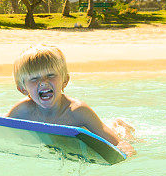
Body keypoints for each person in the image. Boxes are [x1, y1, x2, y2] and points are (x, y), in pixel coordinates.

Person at [7, 45, 135, 156]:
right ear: (23, 90)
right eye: (34, 79)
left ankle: (119, 125)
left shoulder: (77, 111)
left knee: (121, 134)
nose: (43, 83)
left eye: (51, 75)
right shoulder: (21, 111)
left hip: (88, 133)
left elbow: (113, 140)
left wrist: (124, 147)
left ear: (64, 81)